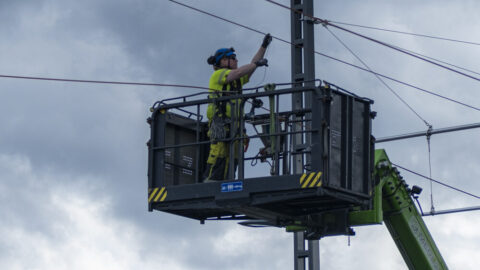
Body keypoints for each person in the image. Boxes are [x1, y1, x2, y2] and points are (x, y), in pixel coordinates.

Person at [203, 34, 272, 182]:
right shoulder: (218, 75)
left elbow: (251, 65)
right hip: (221, 124)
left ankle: (228, 181)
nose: (237, 60)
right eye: (233, 58)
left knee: (233, 156)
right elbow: (240, 71)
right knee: (219, 153)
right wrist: (257, 64)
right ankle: (210, 181)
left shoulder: (236, 79)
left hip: (235, 126)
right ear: (223, 61)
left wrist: (263, 46)